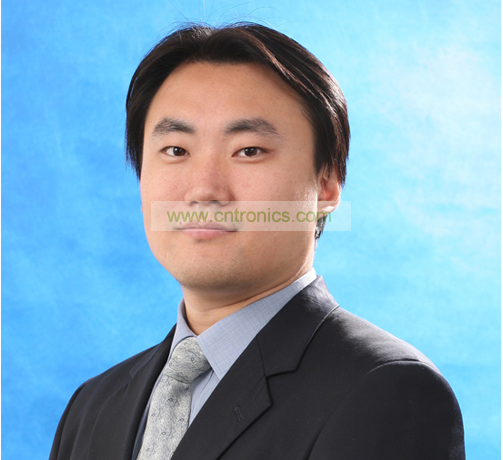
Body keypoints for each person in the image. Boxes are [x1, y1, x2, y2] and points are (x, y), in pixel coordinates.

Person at [49, 23, 465, 460]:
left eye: (248, 150)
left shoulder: (387, 392)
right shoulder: (92, 406)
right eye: (176, 150)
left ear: (326, 185)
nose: (204, 190)